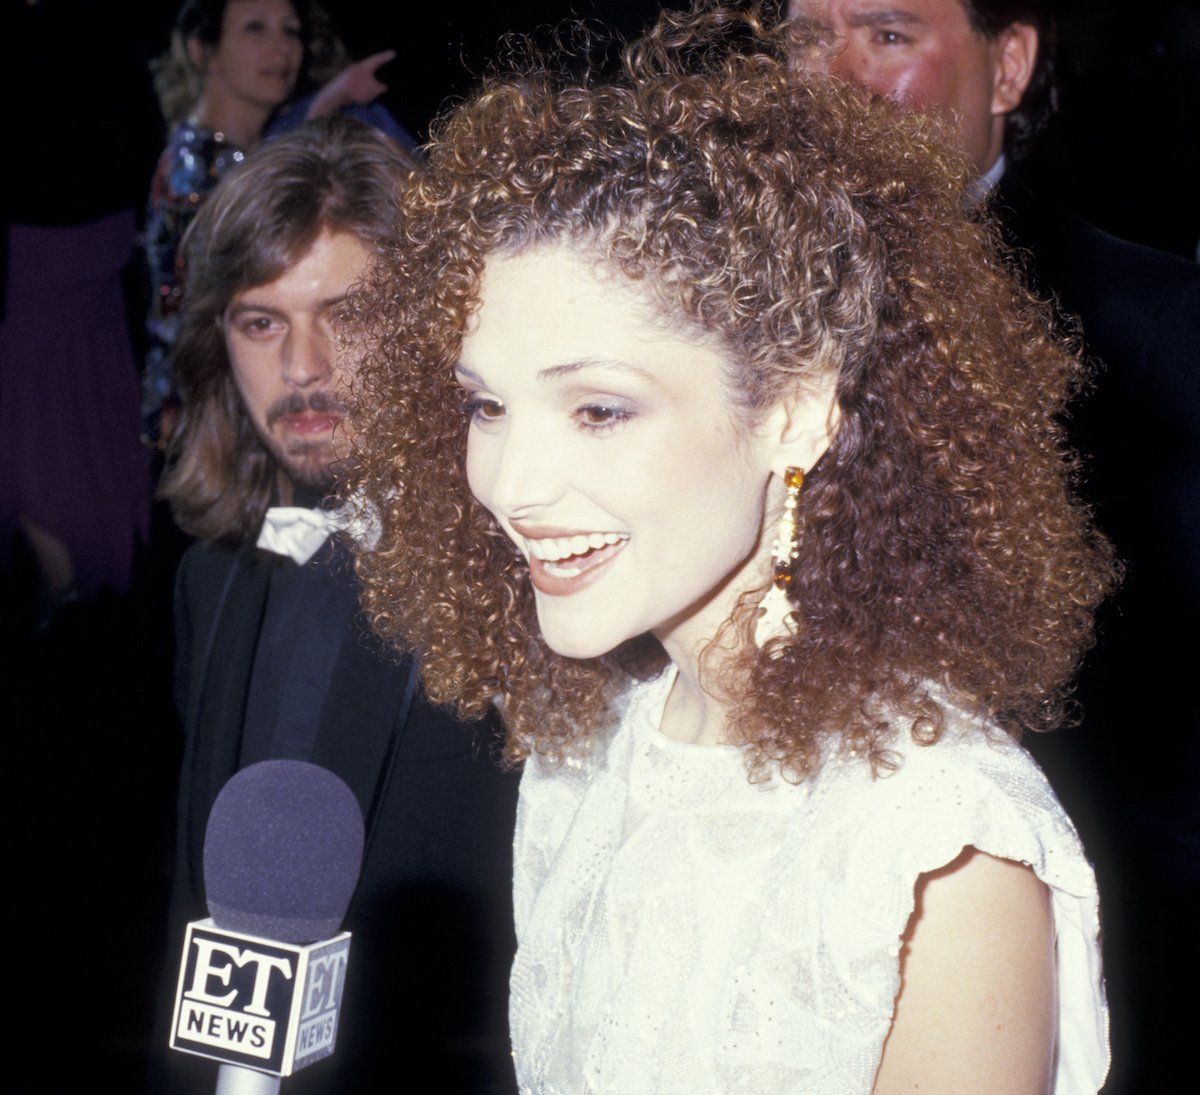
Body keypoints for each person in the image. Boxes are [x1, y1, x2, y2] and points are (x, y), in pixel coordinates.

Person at [347, 5, 1117, 1091]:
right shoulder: (591, 755)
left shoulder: (938, 851)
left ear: (797, 412)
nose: (510, 487)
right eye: (487, 407)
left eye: (599, 410)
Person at [788, 4, 1200, 1089]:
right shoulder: (706, 306)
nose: (830, 79)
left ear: (1007, 65)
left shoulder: (1154, 328)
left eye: (886, 35)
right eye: (803, 37)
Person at [154, 117, 519, 1094]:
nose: (303, 367)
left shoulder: (526, 580)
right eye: (261, 323)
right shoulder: (207, 582)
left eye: (347, 315)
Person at [143, 0, 408, 446]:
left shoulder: (250, 148)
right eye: (255, 28)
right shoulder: (195, 169)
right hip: (219, 427)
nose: (281, 48)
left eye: (290, 30)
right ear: (202, 52)